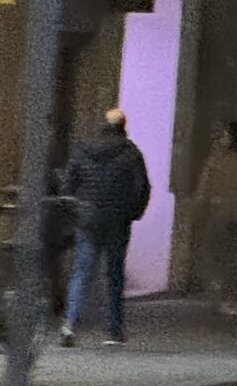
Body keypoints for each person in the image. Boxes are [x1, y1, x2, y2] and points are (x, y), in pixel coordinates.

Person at [59, 109, 151, 347]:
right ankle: (114, 330)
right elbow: (142, 188)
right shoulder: (131, 153)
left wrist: (77, 213)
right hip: (117, 222)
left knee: (81, 273)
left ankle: (69, 324)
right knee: (114, 275)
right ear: (123, 126)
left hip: (88, 220)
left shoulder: (82, 150)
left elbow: (68, 186)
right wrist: (132, 213)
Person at [192, 118, 237, 319]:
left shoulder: (216, 160)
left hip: (219, 212)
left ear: (230, 136)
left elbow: (203, 189)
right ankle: (229, 297)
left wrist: (199, 208)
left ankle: (217, 289)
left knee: (216, 254)